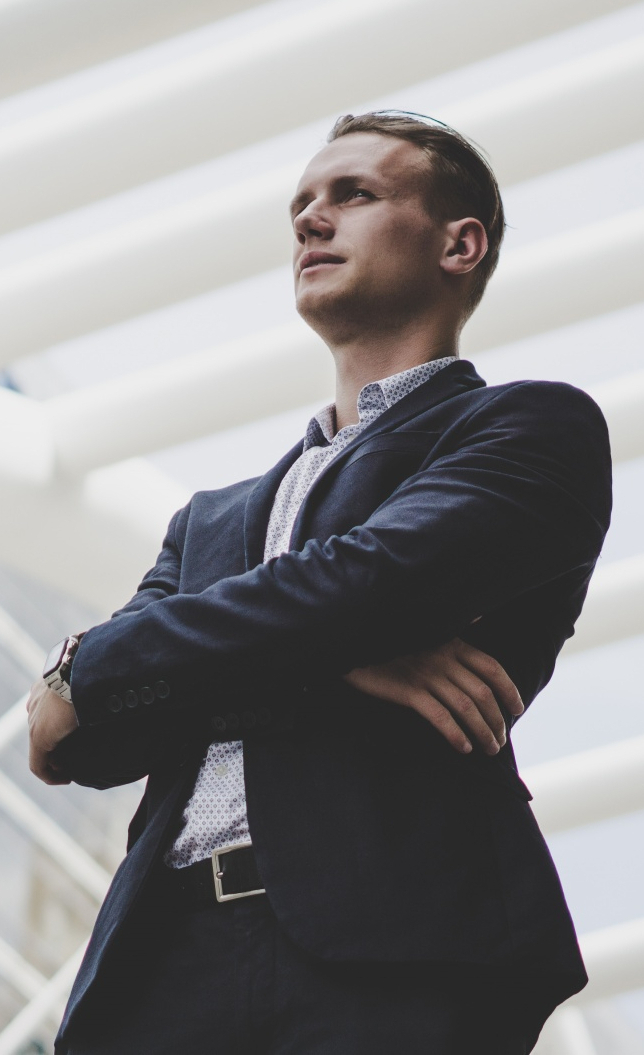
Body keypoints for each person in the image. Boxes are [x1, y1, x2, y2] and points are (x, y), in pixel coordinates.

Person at [27, 111, 612, 1054]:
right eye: (301, 203)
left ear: (460, 245)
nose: (310, 219)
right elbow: (74, 737)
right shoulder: (209, 520)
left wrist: (132, 662)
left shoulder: (532, 429)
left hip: (394, 956)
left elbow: (370, 583)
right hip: (158, 969)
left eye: (355, 194)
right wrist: (338, 655)